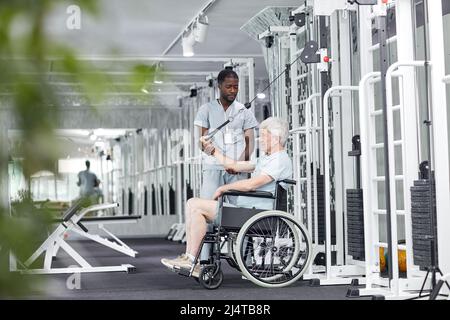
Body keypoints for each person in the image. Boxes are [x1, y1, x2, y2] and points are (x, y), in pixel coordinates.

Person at [161, 117, 292, 277]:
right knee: (193, 205)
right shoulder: (266, 159)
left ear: (276, 138)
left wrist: (224, 188)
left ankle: (191, 259)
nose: (261, 140)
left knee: (195, 205)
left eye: (264, 136)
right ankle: (190, 258)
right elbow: (233, 166)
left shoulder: (279, 160)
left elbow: (252, 184)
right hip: (247, 210)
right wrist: (212, 150)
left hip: (255, 214)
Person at [194, 69, 259, 204]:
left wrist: (238, 165)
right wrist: (208, 149)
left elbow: (250, 143)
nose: (233, 90)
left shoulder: (244, 111)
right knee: (209, 205)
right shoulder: (205, 110)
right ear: (219, 86)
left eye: (236, 87)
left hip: (238, 171)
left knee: (239, 209)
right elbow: (201, 142)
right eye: (228, 87)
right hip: (213, 167)